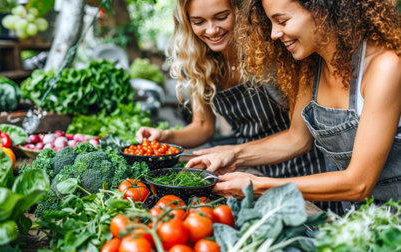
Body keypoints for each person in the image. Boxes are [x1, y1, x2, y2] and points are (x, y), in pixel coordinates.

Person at [187, 0, 401, 212]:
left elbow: (359, 183)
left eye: (282, 21)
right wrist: (234, 154)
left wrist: (258, 185)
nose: (274, 34)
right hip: (360, 217)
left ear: (321, 10)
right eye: (271, 23)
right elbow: (296, 139)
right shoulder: (311, 64)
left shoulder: (386, 67)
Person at [136, 0, 341, 213]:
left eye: (222, 17)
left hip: (301, 169)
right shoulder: (200, 61)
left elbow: (298, 139)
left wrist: (233, 152)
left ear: (241, 12)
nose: (212, 30)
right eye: (198, 21)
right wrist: (165, 136)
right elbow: (203, 126)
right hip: (245, 170)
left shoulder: (276, 52)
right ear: (187, 23)